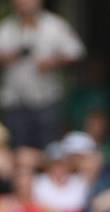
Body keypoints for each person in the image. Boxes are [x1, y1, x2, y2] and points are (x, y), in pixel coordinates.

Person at [0, 0, 85, 150]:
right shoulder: (6, 28)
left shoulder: (54, 25)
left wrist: (54, 62)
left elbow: (77, 53)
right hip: (15, 102)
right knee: (20, 150)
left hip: (47, 101)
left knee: (50, 149)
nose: (23, 3)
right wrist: (6, 57)